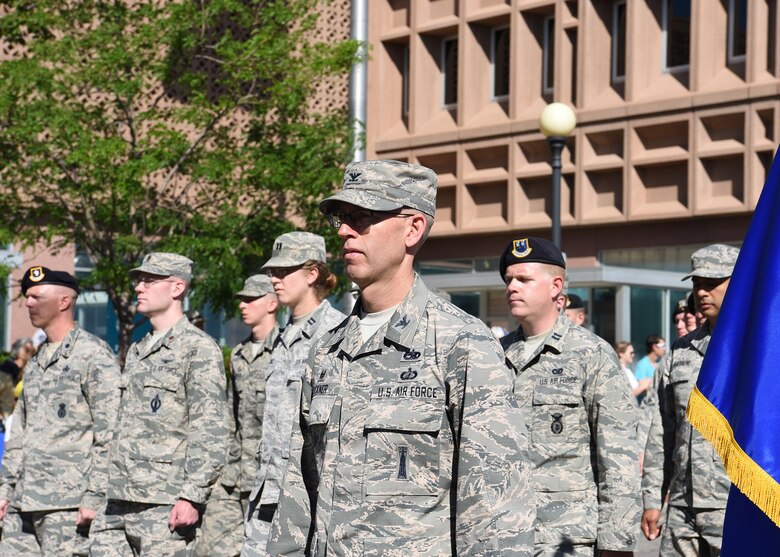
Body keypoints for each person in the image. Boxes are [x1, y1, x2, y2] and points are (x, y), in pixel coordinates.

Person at [268, 160, 536, 556]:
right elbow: (298, 489)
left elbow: (495, 505)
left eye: (363, 218)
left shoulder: (459, 343)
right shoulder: (326, 349)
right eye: (343, 218)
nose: (344, 230)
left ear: (413, 229)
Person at [501, 236, 641, 557]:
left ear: (556, 287)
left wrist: (617, 543)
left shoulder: (590, 354)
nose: (512, 287)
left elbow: (617, 453)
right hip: (504, 535)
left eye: (524, 279)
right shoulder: (495, 355)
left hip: (566, 539)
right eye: (509, 279)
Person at [90, 253, 229, 557]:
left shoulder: (198, 349)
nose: (139, 287)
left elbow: (212, 428)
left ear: (177, 287)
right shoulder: (139, 349)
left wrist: (192, 497)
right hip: (117, 499)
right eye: (138, 280)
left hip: (164, 503)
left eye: (149, 280)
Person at [0, 266, 121, 556]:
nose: (28, 303)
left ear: (64, 302)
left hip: (67, 505)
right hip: (23, 502)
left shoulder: (93, 355)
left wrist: (94, 495)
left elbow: (111, 432)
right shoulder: (37, 361)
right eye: (27, 297)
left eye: (37, 297)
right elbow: (20, 433)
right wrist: (5, 489)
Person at [242, 232, 345, 556]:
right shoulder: (283, 336)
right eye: (273, 271)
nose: (274, 278)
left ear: (312, 273)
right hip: (267, 493)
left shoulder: (335, 333)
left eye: (284, 271)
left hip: (308, 501)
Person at [641, 244, 740, 556]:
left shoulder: (759, 349)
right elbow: (662, 432)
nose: (702, 292)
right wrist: (653, 500)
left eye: (712, 283)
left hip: (735, 504)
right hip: (683, 505)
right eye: (697, 284)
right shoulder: (680, 352)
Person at [199, 275, 280, 557]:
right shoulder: (239, 353)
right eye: (241, 300)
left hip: (267, 480)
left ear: (272, 303)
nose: (243, 306)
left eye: (250, 299)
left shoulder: (284, 351)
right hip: (233, 477)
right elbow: (232, 416)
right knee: (210, 549)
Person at [633, 335, 665, 404]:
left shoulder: (659, 364)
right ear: (654, 347)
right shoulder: (642, 364)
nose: (664, 349)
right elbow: (642, 387)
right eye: (662, 346)